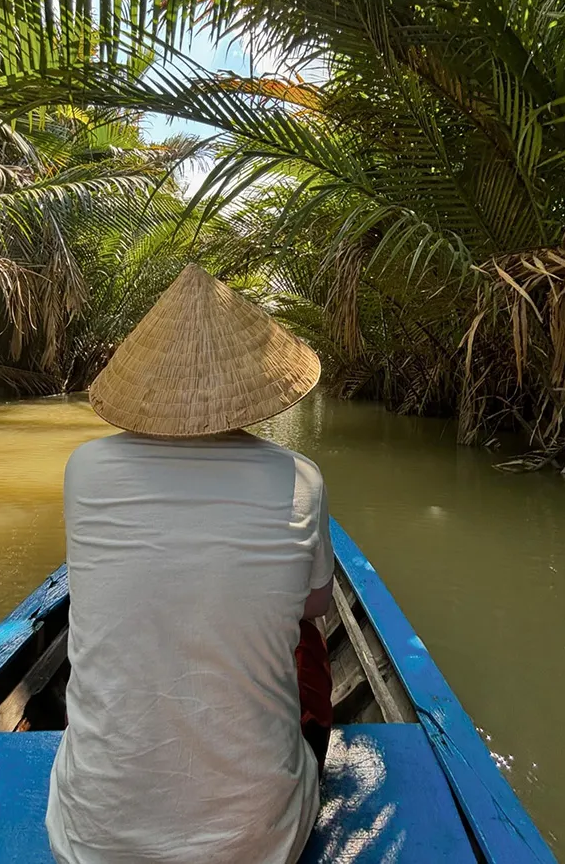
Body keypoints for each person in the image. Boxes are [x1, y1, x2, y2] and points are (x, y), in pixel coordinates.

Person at [46, 264, 335, 864]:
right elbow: (315, 606)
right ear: (253, 387)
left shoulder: (84, 470)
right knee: (305, 636)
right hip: (258, 843)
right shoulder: (301, 480)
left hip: (93, 841)